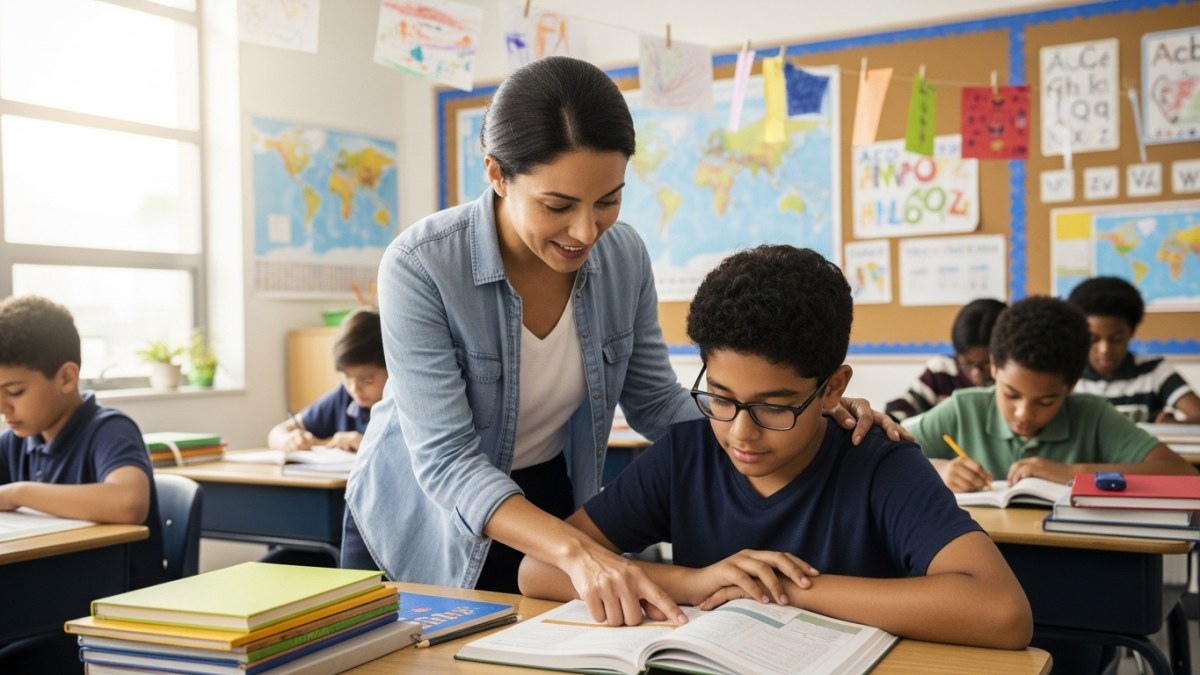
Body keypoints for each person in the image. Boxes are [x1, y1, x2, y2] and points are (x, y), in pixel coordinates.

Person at [342, 56, 906, 622]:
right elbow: (445, 460)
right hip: (426, 513)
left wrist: (802, 420)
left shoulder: (623, 256)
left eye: (608, 200)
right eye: (557, 206)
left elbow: (655, 403)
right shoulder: (421, 266)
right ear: (496, 173)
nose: (586, 231)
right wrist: (579, 553)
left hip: (547, 495)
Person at [517, 245, 1032, 646]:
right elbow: (539, 570)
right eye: (720, 397)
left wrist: (777, 588)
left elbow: (1002, 613)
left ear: (833, 388)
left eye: (774, 407)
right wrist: (695, 583)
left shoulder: (878, 462)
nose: (741, 433)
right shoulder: (687, 454)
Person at [0, 295, 165, 671]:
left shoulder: (108, 429)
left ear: (66, 377)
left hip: (108, 622)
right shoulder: (18, 440)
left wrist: (18, 492)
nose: (3, 408)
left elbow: (128, 502)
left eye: (14, 392)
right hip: (46, 605)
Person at [909, 296, 1196, 493]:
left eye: (1046, 401)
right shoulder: (963, 409)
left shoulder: (1093, 416)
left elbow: (1185, 476)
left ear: (1071, 385)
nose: (1023, 413)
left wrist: (1073, 472)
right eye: (1010, 394)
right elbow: (879, 455)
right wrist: (942, 470)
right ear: (995, 367)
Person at [1066, 276, 1200, 424]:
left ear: (1131, 332)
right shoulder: (1068, 375)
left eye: (1116, 339)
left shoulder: (1154, 371)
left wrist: (1177, 426)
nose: (1105, 350)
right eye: (1093, 339)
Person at [267, 308, 386, 452]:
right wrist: (288, 440)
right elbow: (277, 432)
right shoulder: (344, 397)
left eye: (367, 380)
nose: (354, 389)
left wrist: (366, 445)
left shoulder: (405, 406)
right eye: (346, 377)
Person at [885, 298, 1005, 421]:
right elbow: (904, 405)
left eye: (986, 365)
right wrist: (893, 421)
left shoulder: (1009, 379)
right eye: (967, 363)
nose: (976, 374)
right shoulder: (942, 370)